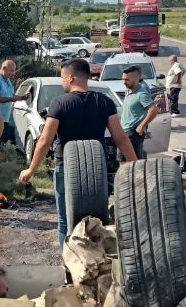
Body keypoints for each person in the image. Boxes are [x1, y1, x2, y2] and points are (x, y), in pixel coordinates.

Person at [18, 59, 137, 246]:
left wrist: (31, 169)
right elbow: (120, 138)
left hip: (67, 167)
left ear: (71, 78)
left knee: (66, 221)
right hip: (96, 169)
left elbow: (44, 140)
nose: (62, 81)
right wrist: (135, 166)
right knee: (96, 221)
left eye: (62, 77)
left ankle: (69, 266)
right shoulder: (104, 102)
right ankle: (97, 267)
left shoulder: (59, 103)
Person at [0, 60, 28, 147]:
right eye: (11, 70)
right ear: (4, 68)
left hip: (4, 119)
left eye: (14, 70)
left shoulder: (7, 80)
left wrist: (21, 97)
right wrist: (11, 99)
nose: (14, 73)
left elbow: (10, 95)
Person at [120, 66, 158, 159]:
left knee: (134, 162)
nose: (124, 82)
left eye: (127, 79)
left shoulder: (141, 94)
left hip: (133, 133)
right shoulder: (129, 91)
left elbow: (153, 110)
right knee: (122, 160)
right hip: (125, 132)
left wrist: (142, 126)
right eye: (123, 79)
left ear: (136, 78)